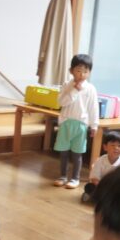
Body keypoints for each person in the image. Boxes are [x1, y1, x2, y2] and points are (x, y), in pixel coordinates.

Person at [53, 54, 99, 189]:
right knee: (63, 152)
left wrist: (94, 125)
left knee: (77, 153)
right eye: (79, 70)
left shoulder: (90, 88)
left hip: (81, 125)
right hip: (66, 123)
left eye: (86, 71)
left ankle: (75, 178)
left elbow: (93, 108)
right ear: (71, 71)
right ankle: (62, 176)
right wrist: (74, 90)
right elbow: (61, 102)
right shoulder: (67, 85)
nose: (82, 74)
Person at [81, 130, 120, 203]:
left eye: (119, 146)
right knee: (89, 187)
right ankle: (96, 197)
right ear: (105, 147)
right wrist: (102, 187)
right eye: (112, 145)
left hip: (114, 189)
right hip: (100, 186)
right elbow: (94, 178)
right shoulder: (100, 160)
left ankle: (102, 200)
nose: (116, 148)